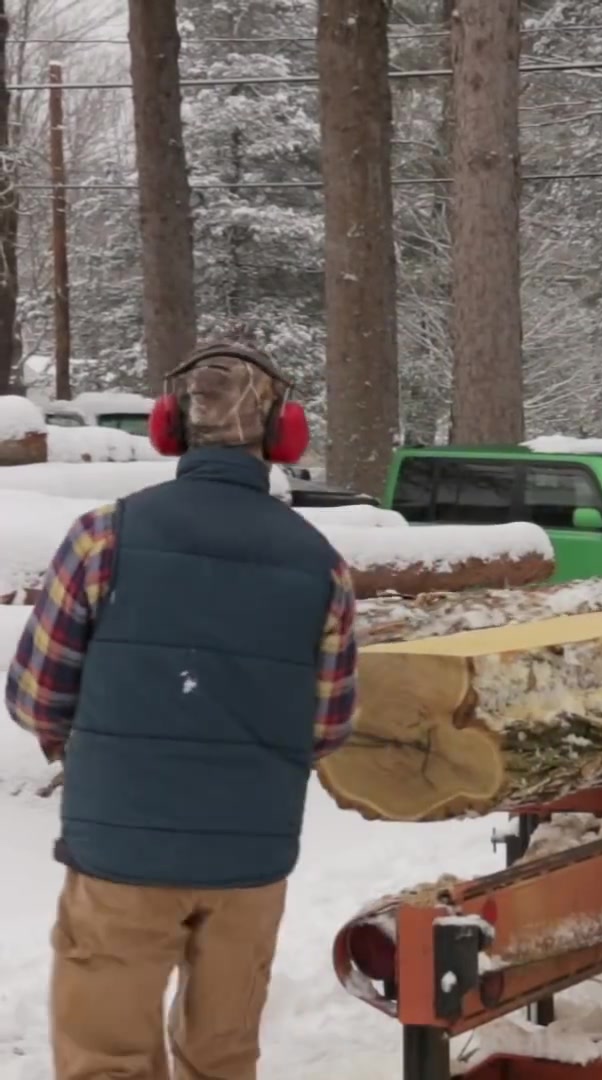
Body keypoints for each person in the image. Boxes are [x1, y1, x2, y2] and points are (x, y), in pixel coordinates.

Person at [5, 342, 358, 1080]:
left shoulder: (105, 537)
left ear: (169, 427)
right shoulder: (320, 564)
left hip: (120, 858)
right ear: (283, 437)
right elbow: (327, 726)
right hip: (250, 862)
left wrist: (100, 756)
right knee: (223, 1059)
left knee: (107, 1061)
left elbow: (35, 692)